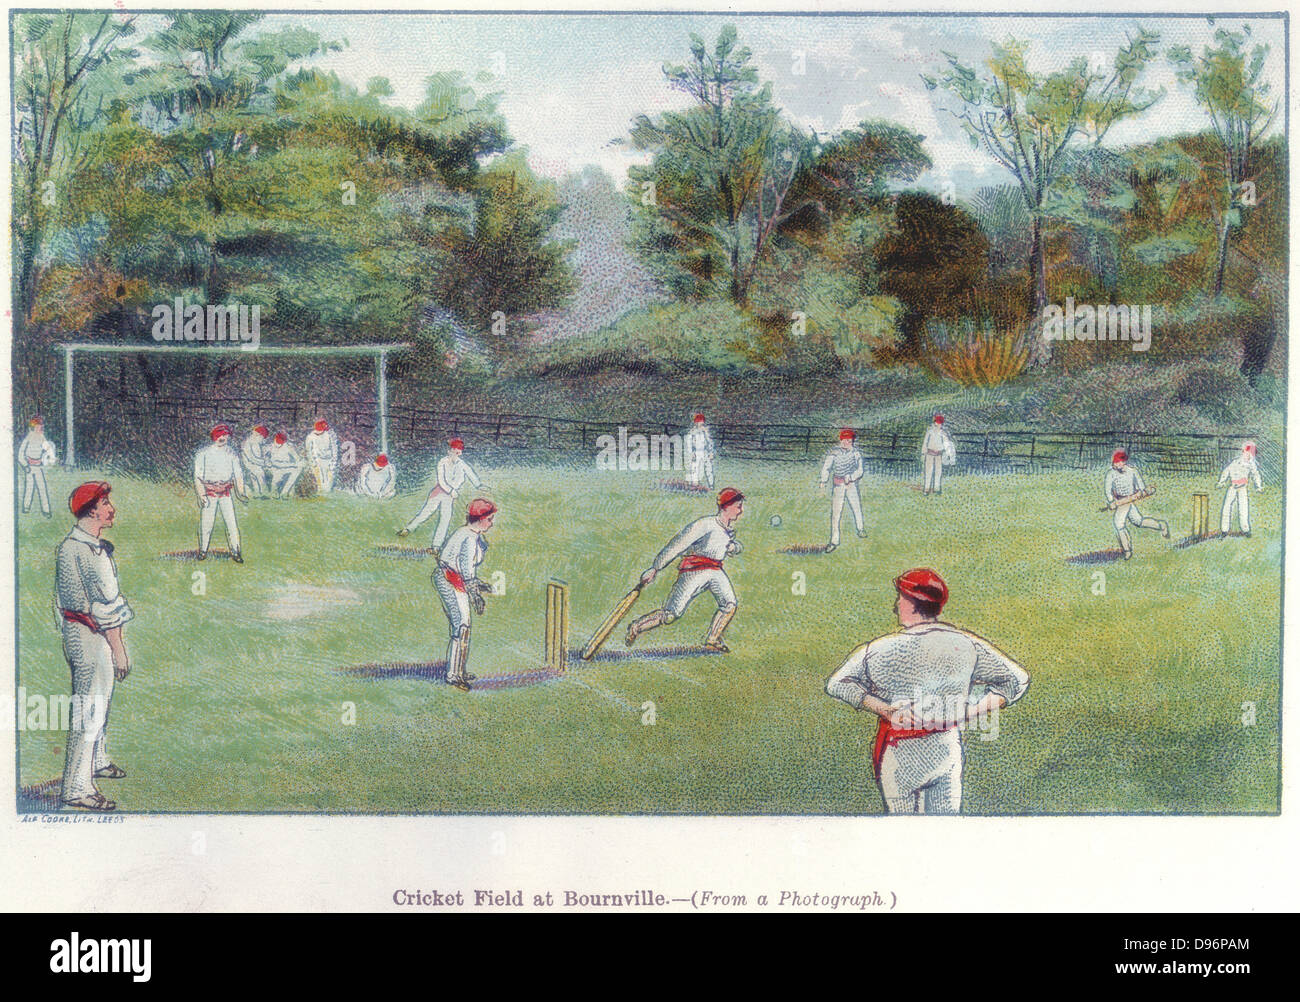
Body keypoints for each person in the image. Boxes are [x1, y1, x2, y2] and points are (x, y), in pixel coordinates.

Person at [824, 568, 1029, 815]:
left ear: (912, 604)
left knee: (903, 836)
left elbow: (837, 683)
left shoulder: (880, 649)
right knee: (944, 834)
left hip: (900, 755)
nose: (895, 606)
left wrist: (886, 711)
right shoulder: (965, 644)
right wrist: (968, 712)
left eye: (899, 598)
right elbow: (1017, 680)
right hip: (946, 750)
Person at [56, 481, 134, 811]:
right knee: (91, 709)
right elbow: (107, 606)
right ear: (91, 511)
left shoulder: (71, 545)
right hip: (91, 634)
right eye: (105, 503)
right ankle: (77, 787)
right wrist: (119, 650)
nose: (111, 508)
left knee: (98, 703)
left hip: (78, 631)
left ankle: (98, 761)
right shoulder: (89, 552)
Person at [625, 487, 744, 653]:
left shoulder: (726, 529)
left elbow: (726, 546)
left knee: (729, 604)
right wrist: (655, 568)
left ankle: (712, 639)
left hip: (715, 571)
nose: (741, 511)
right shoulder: (705, 524)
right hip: (694, 571)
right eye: (738, 506)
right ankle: (637, 627)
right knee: (671, 615)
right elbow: (678, 544)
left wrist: (733, 547)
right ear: (726, 506)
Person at [433, 498, 497, 692]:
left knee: (464, 626)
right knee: (461, 625)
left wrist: (480, 586)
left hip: (456, 580)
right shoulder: (468, 537)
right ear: (480, 518)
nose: (491, 523)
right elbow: (466, 571)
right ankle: (453, 675)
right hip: (448, 579)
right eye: (490, 519)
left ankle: (459, 669)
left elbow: (467, 573)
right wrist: (476, 595)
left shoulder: (472, 535)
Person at [398, 438, 481, 553]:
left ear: (460, 452)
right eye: (453, 450)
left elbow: (471, 473)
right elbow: (441, 480)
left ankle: (436, 546)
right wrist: (451, 490)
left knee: (445, 519)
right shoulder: (442, 462)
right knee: (425, 513)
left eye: (458, 451)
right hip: (438, 493)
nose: (456, 453)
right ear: (449, 451)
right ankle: (408, 529)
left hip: (450, 497)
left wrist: (479, 485)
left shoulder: (462, 464)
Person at [193, 423, 248, 562]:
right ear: (214, 437)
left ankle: (235, 551)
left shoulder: (232, 454)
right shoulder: (203, 453)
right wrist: (202, 495)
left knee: (231, 523)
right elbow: (198, 476)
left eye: (224, 435)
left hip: (225, 493)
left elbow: (238, 474)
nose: (222, 438)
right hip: (209, 493)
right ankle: (203, 550)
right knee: (206, 523)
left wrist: (241, 492)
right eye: (219, 435)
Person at [1103, 448, 1168, 559]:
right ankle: (1161, 525)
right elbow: (1107, 490)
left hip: (1129, 500)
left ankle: (1127, 550)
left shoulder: (1132, 471)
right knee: (1139, 521)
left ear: (1124, 462)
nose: (1117, 464)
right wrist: (1111, 501)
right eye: (1115, 462)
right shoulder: (1110, 474)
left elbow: (1141, 486)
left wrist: (1142, 492)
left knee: (1119, 525)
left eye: (1119, 462)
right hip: (1120, 501)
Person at [818, 428, 866, 552]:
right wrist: (823, 482)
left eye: (849, 440)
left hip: (851, 485)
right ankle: (834, 541)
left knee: (856, 507)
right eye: (844, 440)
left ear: (852, 441)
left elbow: (860, 471)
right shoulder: (834, 453)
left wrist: (850, 477)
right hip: (838, 485)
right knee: (836, 513)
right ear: (841, 441)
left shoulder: (856, 453)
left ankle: (860, 529)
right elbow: (826, 468)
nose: (846, 443)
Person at [1217, 441, 1263, 537]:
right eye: (1246, 452)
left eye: (1251, 453)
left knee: (1243, 508)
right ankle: (1224, 530)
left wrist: (1258, 486)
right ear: (1243, 452)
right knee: (1227, 507)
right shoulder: (1236, 462)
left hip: (1242, 489)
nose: (1248, 455)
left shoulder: (1251, 464)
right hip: (1232, 487)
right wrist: (1221, 481)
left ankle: (1246, 530)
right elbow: (1227, 471)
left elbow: (1256, 475)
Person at [17, 415, 57, 517]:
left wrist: (51, 459)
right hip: (29, 467)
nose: (40, 427)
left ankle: (46, 510)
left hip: (39, 467)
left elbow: (48, 449)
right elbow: (20, 454)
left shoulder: (42, 437)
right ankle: (26, 508)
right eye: (39, 425)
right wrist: (25, 465)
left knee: (42, 488)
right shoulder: (29, 438)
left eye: (41, 425)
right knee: (29, 488)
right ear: (34, 426)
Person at [920, 414, 955, 495]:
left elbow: (946, 444)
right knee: (928, 472)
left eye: (940, 423)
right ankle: (926, 489)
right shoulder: (930, 432)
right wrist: (923, 453)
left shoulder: (943, 433)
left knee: (938, 472)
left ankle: (937, 489)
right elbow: (925, 443)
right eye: (937, 422)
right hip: (929, 454)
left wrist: (949, 454)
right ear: (934, 422)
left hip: (939, 455)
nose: (939, 424)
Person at [304, 418, 340, 494]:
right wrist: (313, 464)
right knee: (320, 485)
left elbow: (335, 449)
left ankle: (327, 496)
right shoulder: (310, 437)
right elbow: (309, 452)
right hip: (318, 461)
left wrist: (333, 463)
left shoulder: (330, 434)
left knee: (328, 485)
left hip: (329, 461)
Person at [267, 432, 304, 498]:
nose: (279, 443)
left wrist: (298, 463)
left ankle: (284, 492)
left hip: (287, 466)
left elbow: (297, 457)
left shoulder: (288, 446)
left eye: (282, 441)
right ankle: (274, 495)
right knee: (276, 481)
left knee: (297, 471)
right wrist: (268, 463)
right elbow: (266, 457)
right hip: (275, 467)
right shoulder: (270, 446)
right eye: (277, 440)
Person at [686, 413, 715, 489]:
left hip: (705, 451)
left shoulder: (705, 432)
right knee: (695, 468)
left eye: (702, 422)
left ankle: (711, 485)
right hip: (696, 452)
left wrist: (711, 452)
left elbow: (710, 442)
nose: (701, 423)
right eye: (699, 422)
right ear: (696, 423)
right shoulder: (692, 432)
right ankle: (695, 485)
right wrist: (691, 453)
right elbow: (689, 444)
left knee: (709, 468)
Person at [240, 425, 270, 495]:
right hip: (250, 465)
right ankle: (263, 494)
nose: (263, 440)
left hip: (255, 465)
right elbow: (252, 458)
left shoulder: (255, 443)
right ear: (258, 435)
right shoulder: (249, 443)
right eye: (262, 437)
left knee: (256, 480)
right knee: (260, 475)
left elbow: (259, 455)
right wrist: (264, 463)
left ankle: (259, 494)